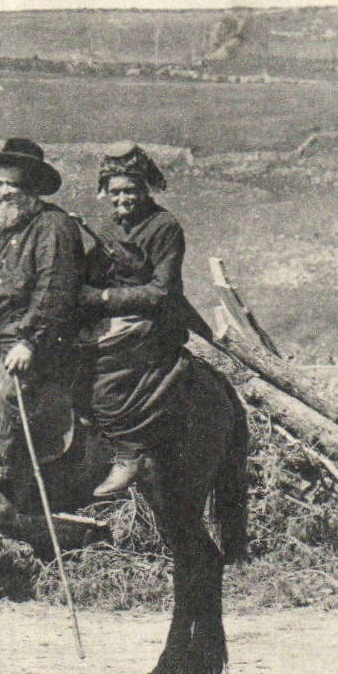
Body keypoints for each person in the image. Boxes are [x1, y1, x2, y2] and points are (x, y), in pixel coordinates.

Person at [0, 138, 84, 521]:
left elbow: (55, 290)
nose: (4, 191)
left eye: (13, 184)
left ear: (32, 187)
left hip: (42, 340)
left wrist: (30, 340)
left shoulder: (54, 227)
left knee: (3, 392)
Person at [82, 142, 211, 496]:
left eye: (130, 190)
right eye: (114, 192)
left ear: (144, 188)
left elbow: (161, 292)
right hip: (121, 316)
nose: (122, 198)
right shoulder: (110, 229)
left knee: (106, 371)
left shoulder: (164, 227)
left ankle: (129, 453)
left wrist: (104, 297)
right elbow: (91, 274)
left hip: (155, 322)